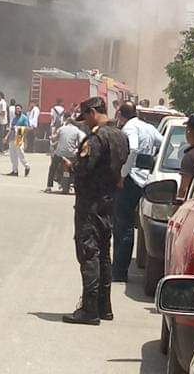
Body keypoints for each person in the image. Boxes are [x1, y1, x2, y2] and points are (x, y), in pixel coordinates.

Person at [62, 96, 128, 325]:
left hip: (91, 203)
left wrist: (71, 166)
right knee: (103, 253)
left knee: (89, 251)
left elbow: (84, 168)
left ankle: (89, 309)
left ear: (92, 112)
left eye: (86, 117)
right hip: (109, 201)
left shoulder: (96, 138)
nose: (85, 122)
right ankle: (103, 307)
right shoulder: (120, 135)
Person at [112, 101, 163, 281]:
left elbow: (132, 148)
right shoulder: (148, 127)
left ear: (120, 115)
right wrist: (152, 162)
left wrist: (123, 174)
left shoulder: (129, 128)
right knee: (132, 225)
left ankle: (119, 271)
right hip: (145, 179)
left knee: (123, 226)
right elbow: (164, 143)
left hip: (130, 180)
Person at [46, 112, 85, 193]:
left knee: (52, 168)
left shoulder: (61, 128)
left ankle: (49, 186)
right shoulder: (77, 130)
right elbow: (81, 142)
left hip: (60, 154)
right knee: (77, 168)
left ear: (66, 121)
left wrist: (51, 137)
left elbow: (54, 138)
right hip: (72, 154)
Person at [3, 104, 30, 177]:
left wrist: (19, 128)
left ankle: (27, 166)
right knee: (12, 154)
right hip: (12, 136)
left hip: (19, 134)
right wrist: (6, 137)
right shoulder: (14, 118)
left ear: (21, 109)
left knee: (20, 152)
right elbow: (11, 128)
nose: (17, 110)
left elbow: (27, 127)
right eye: (16, 109)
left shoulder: (24, 118)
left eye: (18, 108)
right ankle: (15, 170)